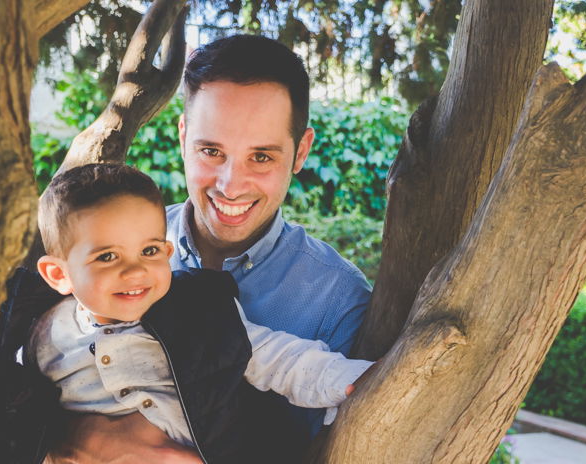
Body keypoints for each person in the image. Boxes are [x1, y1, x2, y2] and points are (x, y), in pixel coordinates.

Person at [0, 35, 373, 463]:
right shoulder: (96, 247)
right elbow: (9, 402)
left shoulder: (338, 299)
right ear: (184, 137)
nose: (231, 185)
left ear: (302, 151)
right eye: (211, 151)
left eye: (261, 157)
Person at [35, 163, 371, 459]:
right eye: (107, 257)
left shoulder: (197, 312)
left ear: (167, 252)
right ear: (59, 274)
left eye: (149, 250)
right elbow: (19, 414)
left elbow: (274, 357)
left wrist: (346, 379)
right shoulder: (45, 337)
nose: (136, 271)